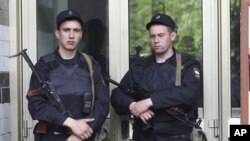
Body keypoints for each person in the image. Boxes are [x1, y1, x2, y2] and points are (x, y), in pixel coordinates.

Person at [111, 13, 202, 141]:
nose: (156, 40)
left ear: (172, 36)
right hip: (144, 136)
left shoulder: (187, 64)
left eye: (161, 35)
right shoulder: (141, 66)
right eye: (152, 36)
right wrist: (134, 106)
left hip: (177, 137)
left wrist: (148, 102)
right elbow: (117, 94)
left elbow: (188, 93)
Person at [26, 9, 109, 141]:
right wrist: (70, 122)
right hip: (51, 136)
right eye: (66, 30)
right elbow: (35, 105)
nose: (71, 35)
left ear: (81, 34)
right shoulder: (44, 66)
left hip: (84, 136)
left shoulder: (91, 65)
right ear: (57, 33)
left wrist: (79, 134)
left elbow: (102, 104)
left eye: (76, 30)